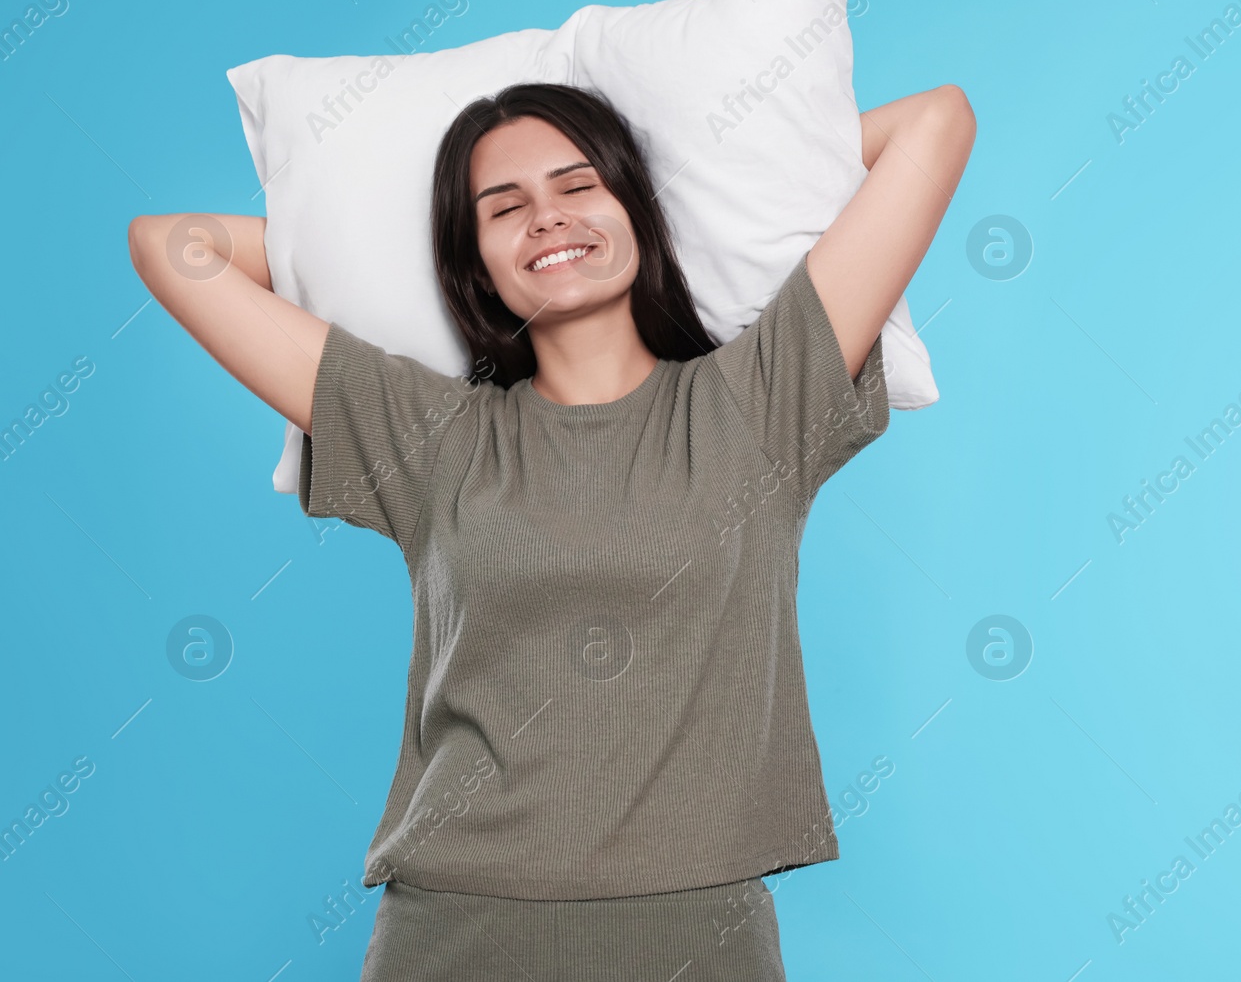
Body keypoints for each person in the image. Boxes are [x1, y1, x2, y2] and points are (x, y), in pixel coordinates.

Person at [128, 81, 975, 979]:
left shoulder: (758, 403)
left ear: (641, 208)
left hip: (700, 935)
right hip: (451, 935)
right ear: (473, 260)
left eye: (580, 187)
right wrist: (359, 228)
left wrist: (696, 176)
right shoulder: (431, 436)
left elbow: (937, 122)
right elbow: (169, 245)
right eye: (505, 209)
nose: (546, 218)